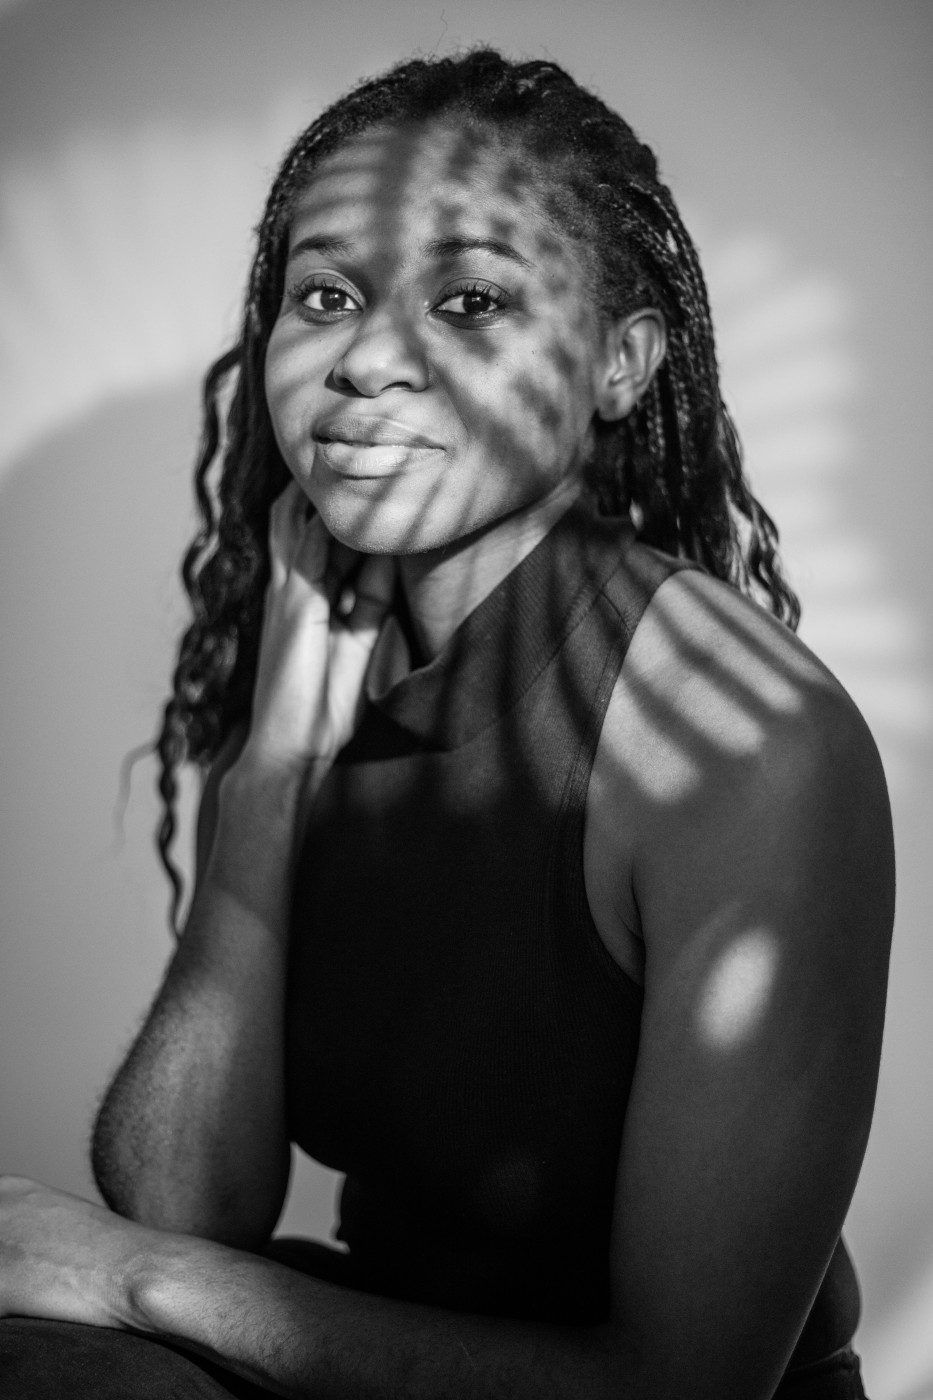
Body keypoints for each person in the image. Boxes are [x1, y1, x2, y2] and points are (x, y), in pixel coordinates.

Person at [0, 47, 893, 1400]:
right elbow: (187, 1199)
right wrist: (269, 775)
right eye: (326, 296)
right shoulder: (322, 661)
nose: (367, 359)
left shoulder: (737, 742)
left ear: (618, 364)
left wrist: (133, 1280)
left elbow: (682, 1386)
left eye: (469, 300)